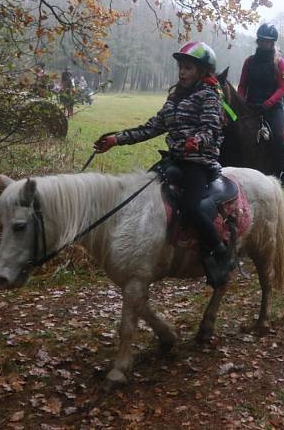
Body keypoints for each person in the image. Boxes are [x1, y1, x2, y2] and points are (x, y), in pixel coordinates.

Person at [93, 41, 234, 288]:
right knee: (142, 197)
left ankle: (219, 250)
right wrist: (117, 139)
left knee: (190, 207)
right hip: (174, 160)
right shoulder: (175, 96)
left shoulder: (210, 96)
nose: (182, 72)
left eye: (188, 68)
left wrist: (197, 141)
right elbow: (152, 127)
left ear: (202, 71)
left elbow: (211, 129)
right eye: (181, 67)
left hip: (198, 164)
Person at [238, 24, 284, 188]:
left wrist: (268, 103)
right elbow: (242, 85)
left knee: (278, 135)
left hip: (272, 108)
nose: (265, 44)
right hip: (250, 107)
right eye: (263, 41)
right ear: (258, 41)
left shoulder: (280, 63)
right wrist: (242, 102)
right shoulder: (249, 62)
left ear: (273, 43)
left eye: (269, 42)